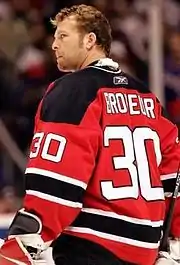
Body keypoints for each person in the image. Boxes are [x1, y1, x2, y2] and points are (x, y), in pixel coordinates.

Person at [0, 4, 180, 265]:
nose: (54, 45)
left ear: (90, 40)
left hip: (93, 246)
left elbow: (57, 181)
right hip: (146, 249)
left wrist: (23, 241)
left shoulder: (73, 92)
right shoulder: (147, 98)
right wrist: (174, 241)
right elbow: (173, 174)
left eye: (63, 36)